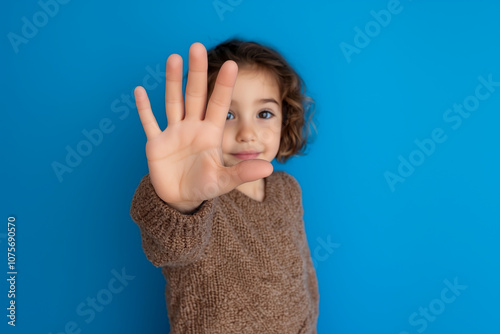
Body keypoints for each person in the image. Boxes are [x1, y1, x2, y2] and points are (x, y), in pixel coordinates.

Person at [130, 38, 319, 333]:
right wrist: (181, 205)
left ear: (285, 119)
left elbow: (303, 280)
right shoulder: (200, 203)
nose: (247, 133)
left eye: (264, 114)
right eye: (228, 115)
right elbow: (172, 248)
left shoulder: (287, 190)